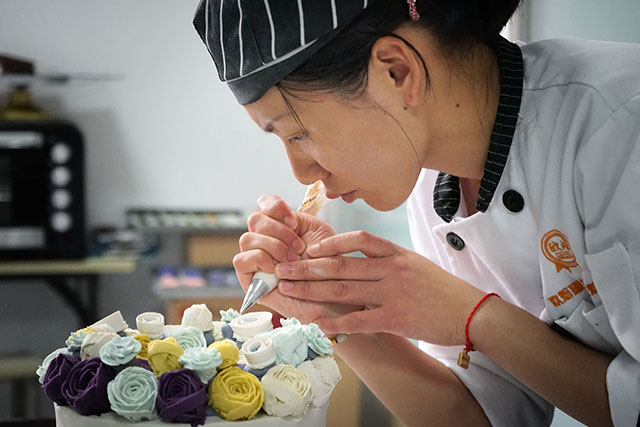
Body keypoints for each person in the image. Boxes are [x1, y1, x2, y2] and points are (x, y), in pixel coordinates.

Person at [192, 1, 640, 426]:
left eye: (298, 133)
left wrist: (473, 317)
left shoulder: (619, 121)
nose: (301, 171)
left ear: (397, 71)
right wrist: (339, 312)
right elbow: (488, 416)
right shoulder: (431, 186)